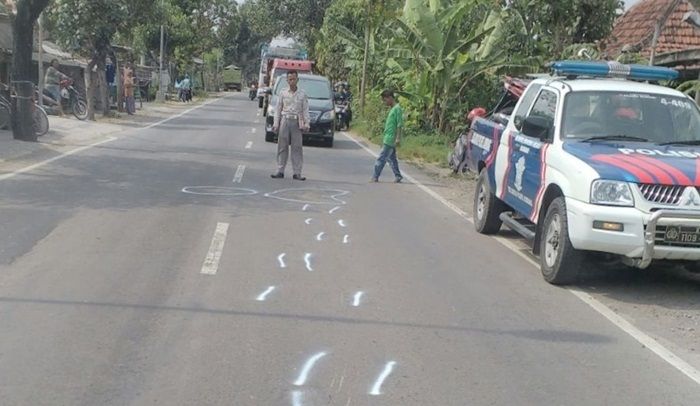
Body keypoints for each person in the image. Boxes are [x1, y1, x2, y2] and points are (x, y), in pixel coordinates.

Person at [271, 70, 310, 181]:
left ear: (297, 80)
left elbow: (305, 109)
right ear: (287, 80)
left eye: (294, 79)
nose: (292, 81)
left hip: (297, 122)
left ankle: (297, 173)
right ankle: (280, 170)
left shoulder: (302, 94)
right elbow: (278, 109)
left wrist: (307, 123)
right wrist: (276, 123)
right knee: (282, 147)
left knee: (297, 148)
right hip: (285, 120)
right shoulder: (283, 93)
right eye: (290, 79)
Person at [372, 89, 404, 183]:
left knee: (381, 158)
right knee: (392, 159)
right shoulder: (393, 109)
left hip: (391, 139)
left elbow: (399, 125)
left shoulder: (397, 109)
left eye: (385, 100)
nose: (385, 103)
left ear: (390, 98)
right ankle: (398, 176)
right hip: (388, 137)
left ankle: (375, 176)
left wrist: (398, 138)